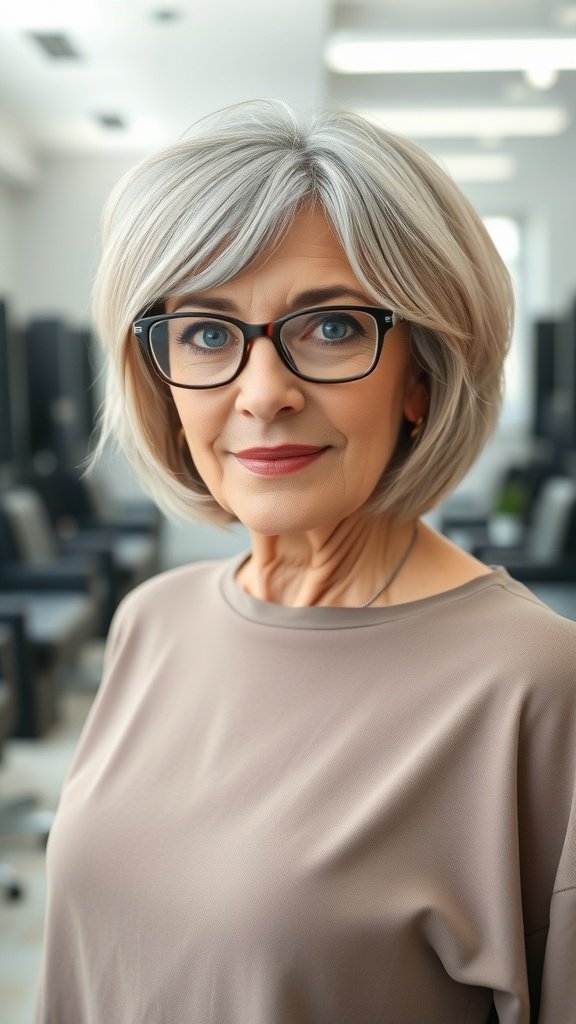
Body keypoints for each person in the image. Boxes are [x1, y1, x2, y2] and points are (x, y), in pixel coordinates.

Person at [34, 99, 576, 1024]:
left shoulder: (536, 685)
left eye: (330, 328)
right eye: (207, 333)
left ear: (422, 373)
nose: (263, 394)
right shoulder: (151, 623)